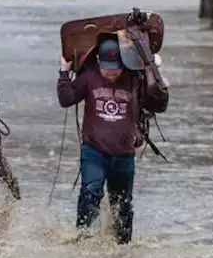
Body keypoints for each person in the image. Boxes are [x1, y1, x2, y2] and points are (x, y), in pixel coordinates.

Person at [58, 35, 169, 245]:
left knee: (123, 204)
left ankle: (123, 246)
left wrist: (156, 75)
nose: (111, 72)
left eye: (116, 67)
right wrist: (64, 71)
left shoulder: (135, 80)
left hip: (124, 154)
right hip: (94, 151)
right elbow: (66, 99)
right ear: (98, 61)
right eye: (107, 67)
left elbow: (160, 105)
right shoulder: (89, 77)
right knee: (91, 192)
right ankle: (81, 238)